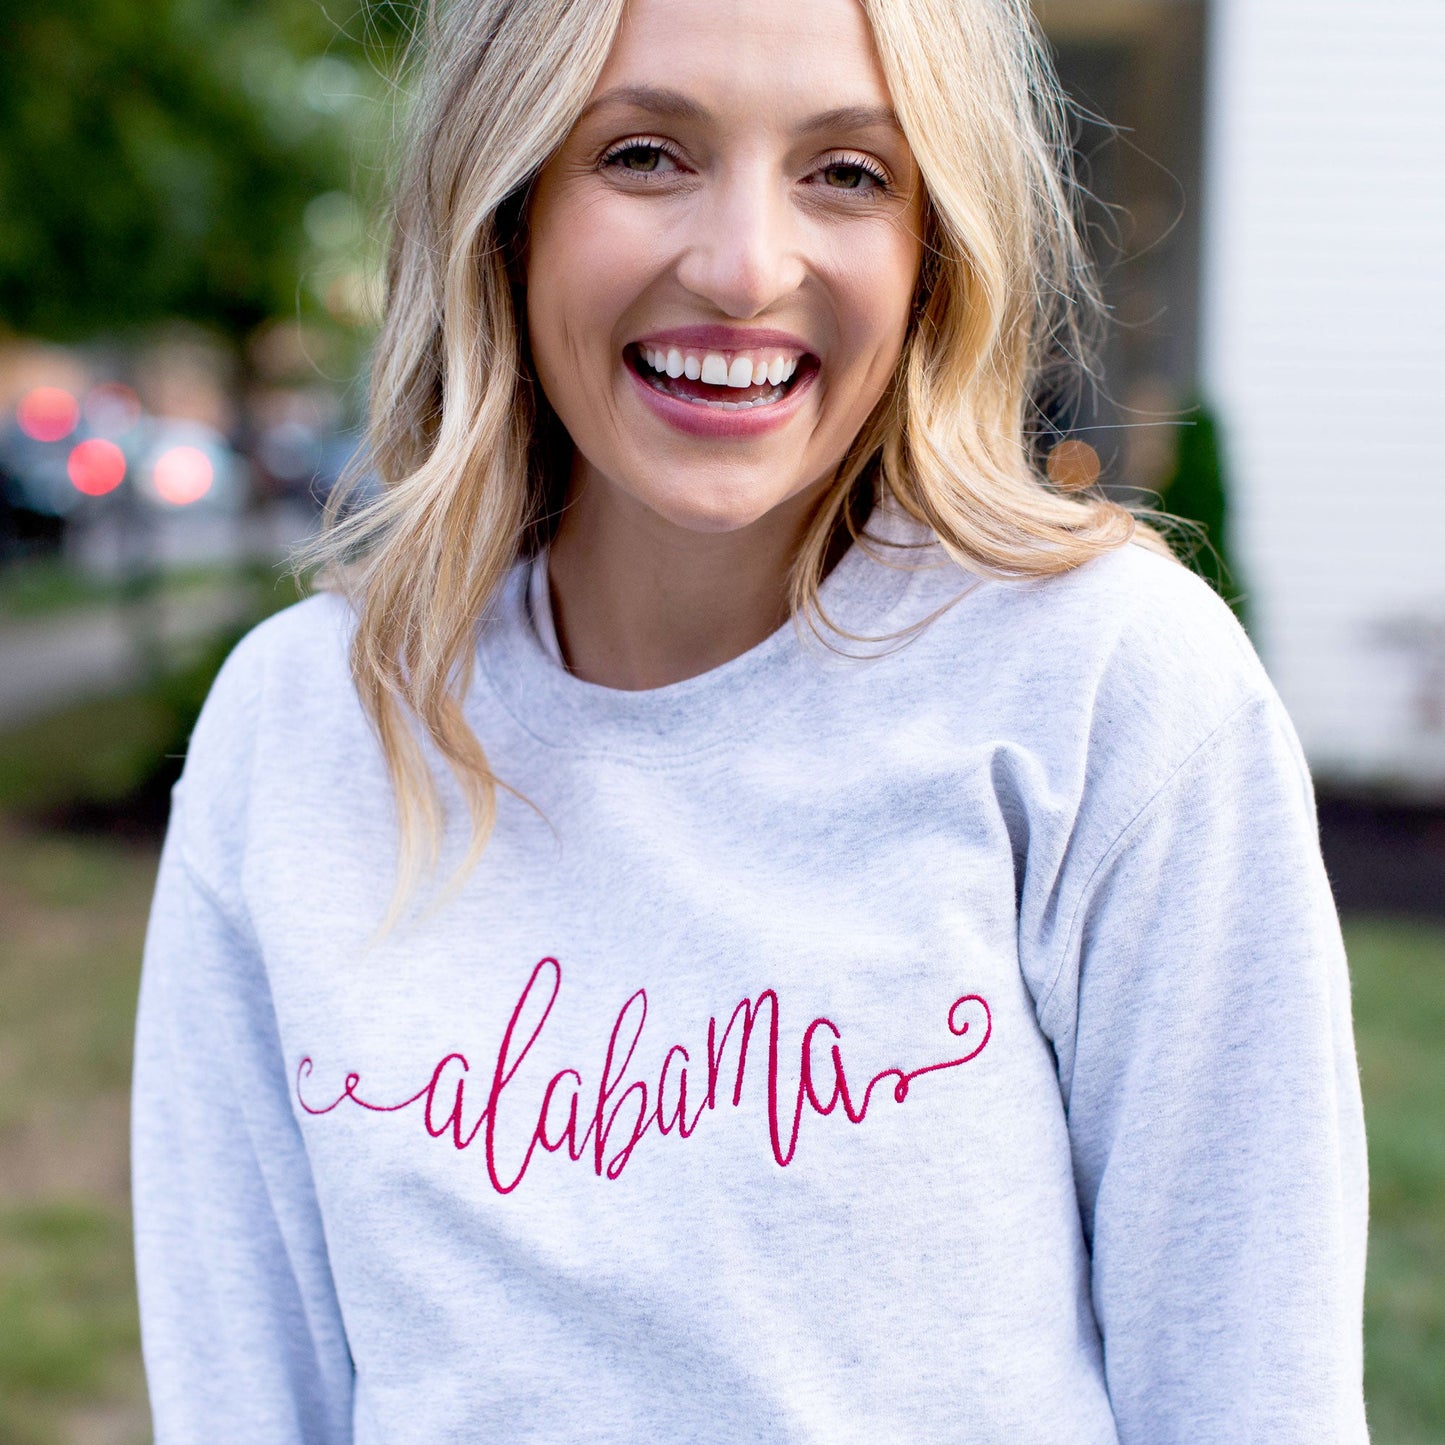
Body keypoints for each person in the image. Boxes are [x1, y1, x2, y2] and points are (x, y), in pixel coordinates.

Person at [130, 0, 1369, 1439]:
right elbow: (244, 1394)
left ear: (932, 246)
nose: (741, 267)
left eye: (848, 172)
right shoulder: (301, 727)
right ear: (508, 199)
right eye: (645, 153)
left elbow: (1248, 1397)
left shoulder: (1109, 691)